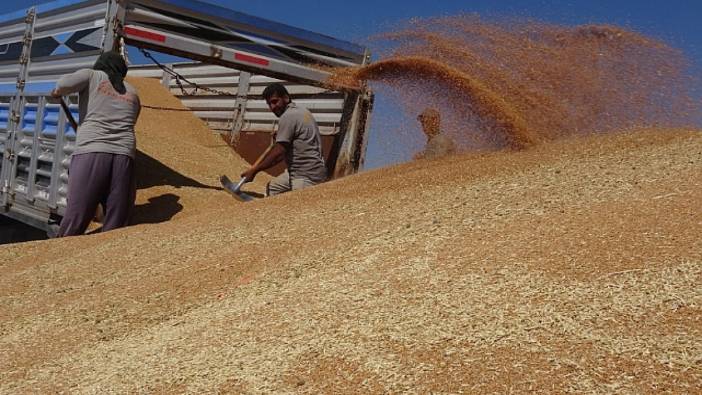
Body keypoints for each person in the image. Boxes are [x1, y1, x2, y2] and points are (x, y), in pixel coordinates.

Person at [51, 51, 141, 237]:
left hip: (92, 151)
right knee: (117, 217)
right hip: (124, 155)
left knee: (77, 213)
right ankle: (107, 256)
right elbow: (132, 120)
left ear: (101, 64)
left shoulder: (92, 75)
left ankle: (62, 251)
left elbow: (62, 84)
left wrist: (57, 92)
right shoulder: (133, 92)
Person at [241, 83, 327, 196]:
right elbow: (298, 136)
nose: (272, 107)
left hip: (305, 175)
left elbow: (279, 153)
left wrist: (255, 170)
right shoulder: (302, 111)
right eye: (269, 104)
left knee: (298, 207)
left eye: (275, 101)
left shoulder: (288, 117)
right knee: (272, 188)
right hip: (311, 170)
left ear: (286, 98)